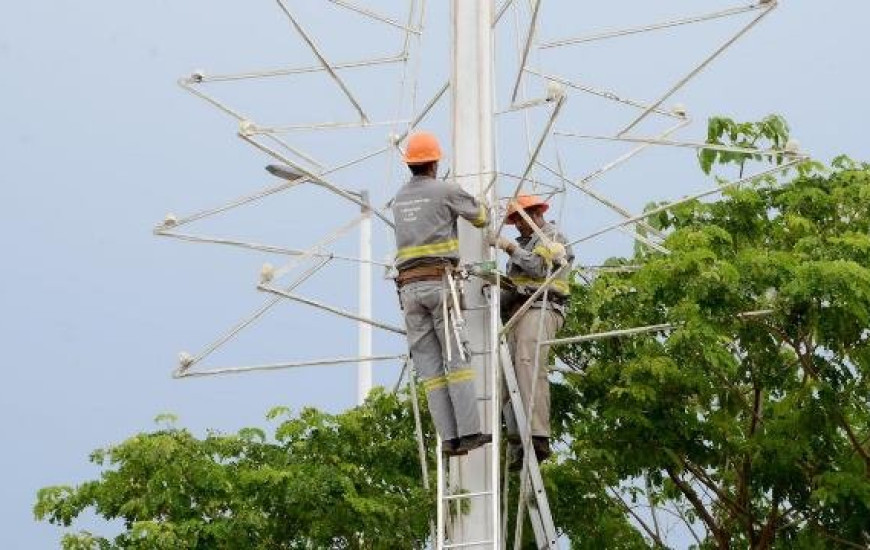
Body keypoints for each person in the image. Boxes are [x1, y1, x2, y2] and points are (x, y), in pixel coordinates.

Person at [393, 131, 491, 456]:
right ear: (434, 163)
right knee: (456, 360)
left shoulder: (399, 199)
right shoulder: (445, 189)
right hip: (440, 284)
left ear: (411, 165)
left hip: (409, 290)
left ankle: (448, 439)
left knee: (430, 370)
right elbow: (480, 218)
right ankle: (470, 432)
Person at [488, 195, 574, 470]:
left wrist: (509, 247)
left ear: (535, 213)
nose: (517, 228)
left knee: (528, 364)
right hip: (516, 312)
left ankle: (537, 437)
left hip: (542, 307)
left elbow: (539, 268)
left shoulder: (554, 237)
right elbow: (516, 283)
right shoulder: (524, 245)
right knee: (504, 378)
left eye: (520, 220)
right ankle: (517, 443)